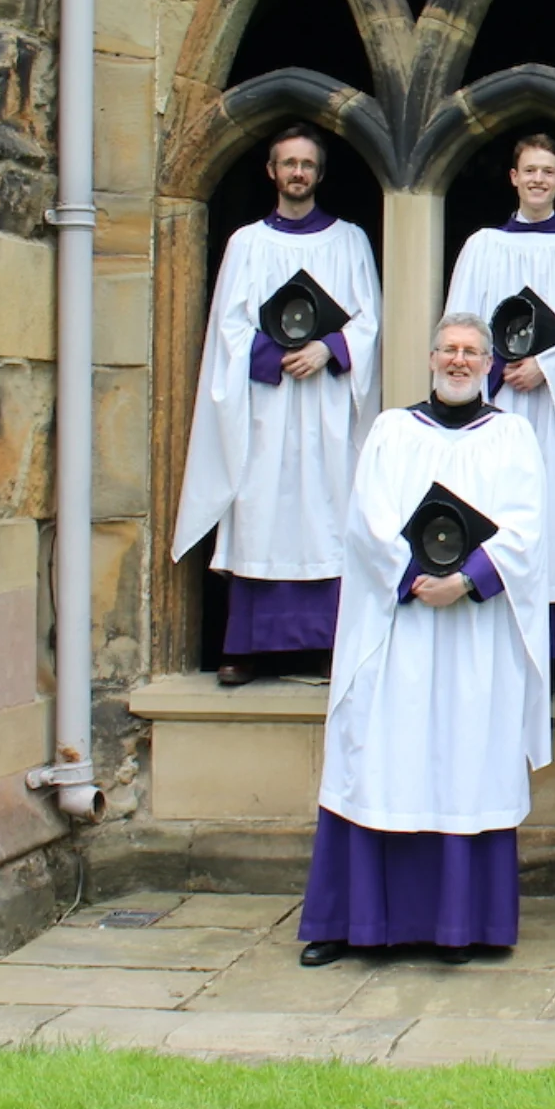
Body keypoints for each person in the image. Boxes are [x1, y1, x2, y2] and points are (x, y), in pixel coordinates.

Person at [297, 314, 554, 966]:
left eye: (472, 352)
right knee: (379, 759)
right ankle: (357, 923)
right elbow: (366, 519)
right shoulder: (390, 432)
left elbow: (526, 529)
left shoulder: (514, 437)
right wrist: (414, 576)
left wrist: (466, 581)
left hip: (476, 634)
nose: (460, 361)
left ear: (491, 363)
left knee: (467, 760)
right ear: (430, 357)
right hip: (398, 631)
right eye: (449, 350)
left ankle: (463, 926)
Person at [171, 124, 381, 687]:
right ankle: (245, 646)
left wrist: (328, 348)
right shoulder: (247, 243)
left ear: (320, 173)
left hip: (328, 407)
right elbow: (227, 330)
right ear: (271, 171)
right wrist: (274, 353)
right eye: (288, 163)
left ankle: (327, 644)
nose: (297, 173)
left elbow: (370, 323)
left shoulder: (349, 240)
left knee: (327, 515)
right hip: (267, 406)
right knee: (261, 513)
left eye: (307, 164)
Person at [443, 132, 555, 666]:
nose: (539, 180)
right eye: (530, 171)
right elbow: (460, 325)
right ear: (514, 178)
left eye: (548, 171)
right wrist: (498, 367)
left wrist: (546, 366)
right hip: (497, 406)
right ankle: (499, 635)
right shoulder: (483, 247)